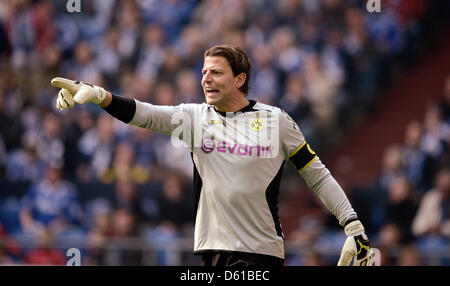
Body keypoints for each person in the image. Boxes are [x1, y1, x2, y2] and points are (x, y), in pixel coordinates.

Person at [51, 45, 375, 266]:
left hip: (259, 252)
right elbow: (144, 113)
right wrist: (99, 95)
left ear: (239, 79)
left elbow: (316, 174)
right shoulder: (195, 117)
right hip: (211, 250)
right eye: (204, 72)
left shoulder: (277, 121)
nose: (206, 79)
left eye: (216, 73)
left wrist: (352, 225)